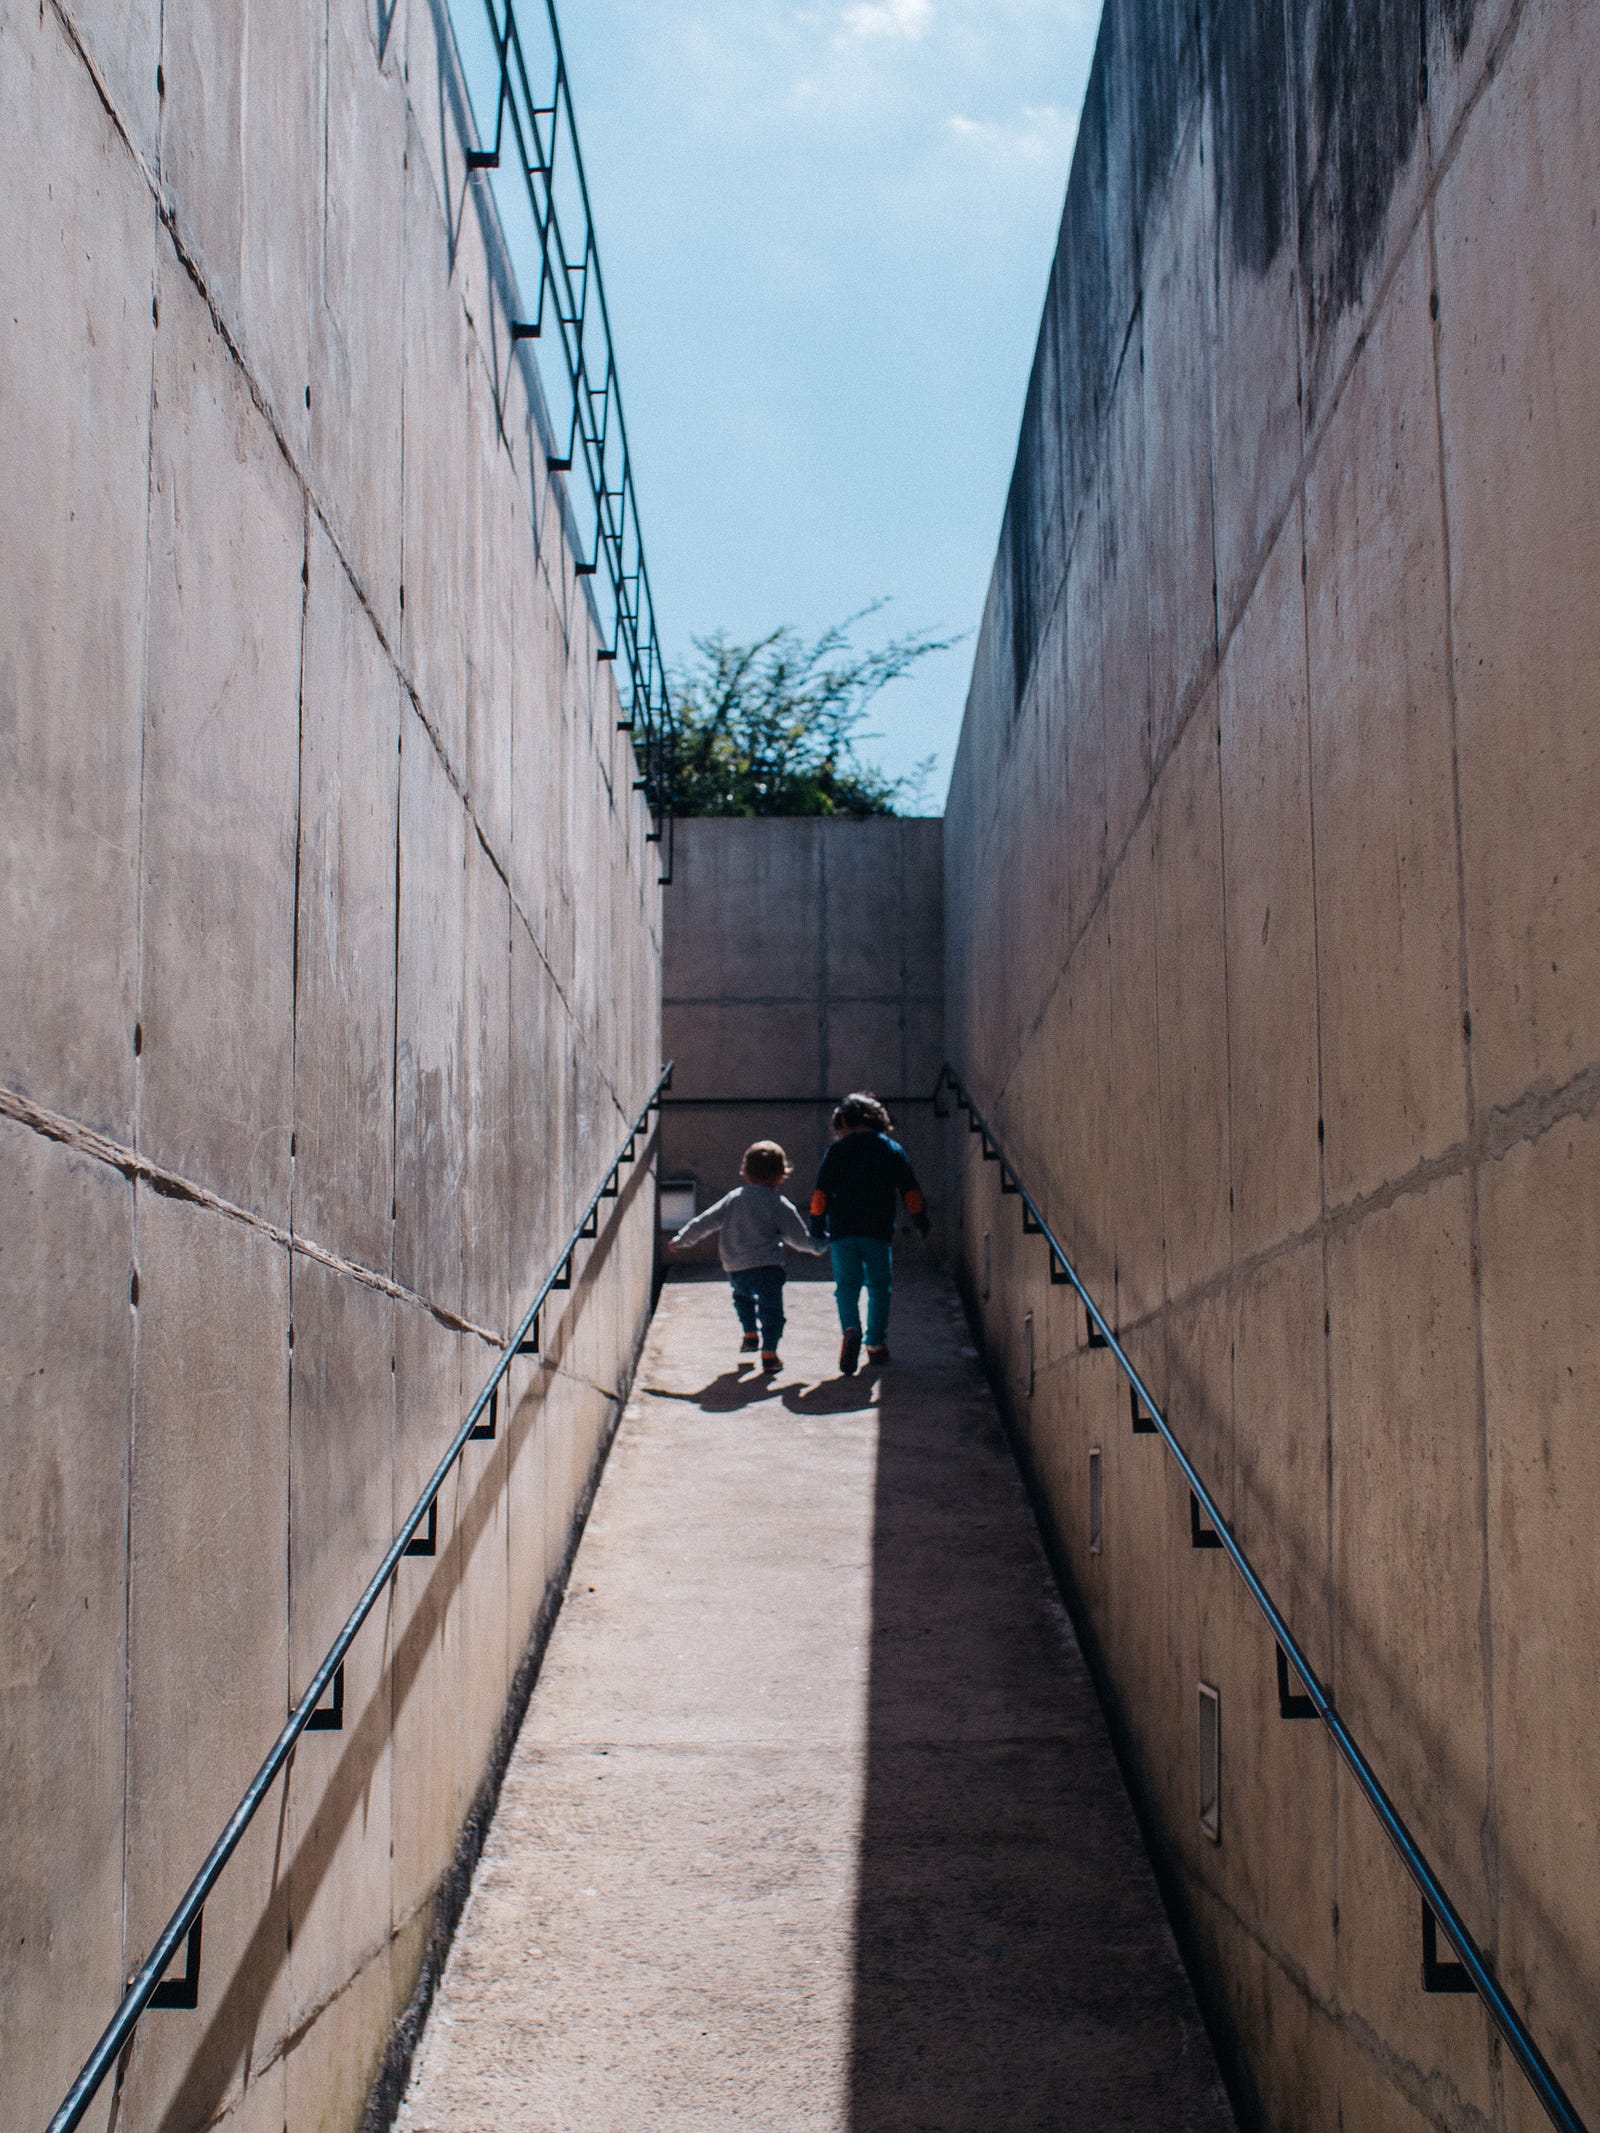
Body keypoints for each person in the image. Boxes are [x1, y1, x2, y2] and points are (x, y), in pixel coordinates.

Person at [667, 1140, 827, 1370]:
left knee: (742, 1298)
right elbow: (797, 1238)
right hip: (767, 1267)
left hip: (736, 1265)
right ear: (781, 1174)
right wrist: (818, 1246)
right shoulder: (778, 1203)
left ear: (746, 1172)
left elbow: (706, 1221)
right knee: (771, 1310)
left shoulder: (735, 1198)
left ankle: (750, 1334)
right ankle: (769, 1353)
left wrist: (682, 1239)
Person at [809, 1093, 929, 1374]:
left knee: (846, 1286)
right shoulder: (890, 1148)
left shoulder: (836, 1151)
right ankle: (876, 1344)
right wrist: (920, 1219)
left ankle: (851, 1329)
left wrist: (817, 1227)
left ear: (843, 1121)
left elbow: (820, 1195)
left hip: (842, 1230)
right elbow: (910, 1190)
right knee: (879, 1286)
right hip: (877, 1230)